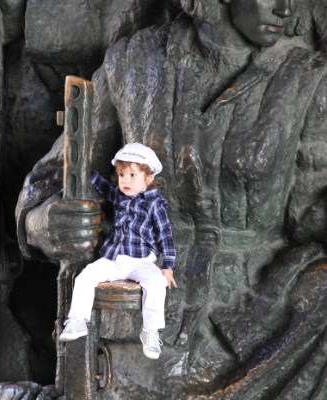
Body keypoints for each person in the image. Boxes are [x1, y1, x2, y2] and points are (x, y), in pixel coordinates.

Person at [17, 0, 327, 398]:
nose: (286, 9)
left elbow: (307, 215)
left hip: (262, 318)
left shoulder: (307, 79)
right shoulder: (134, 63)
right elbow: (50, 176)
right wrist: (45, 222)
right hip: (140, 323)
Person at [59, 143, 177, 360]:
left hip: (142, 262)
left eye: (133, 175)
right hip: (114, 259)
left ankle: (150, 331)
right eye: (122, 175)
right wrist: (80, 167)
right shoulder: (119, 196)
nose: (125, 180)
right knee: (86, 276)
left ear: (148, 178)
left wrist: (168, 266)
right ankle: (77, 320)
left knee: (157, 283)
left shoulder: (155, 204)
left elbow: (165, 235)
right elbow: (103, 185)